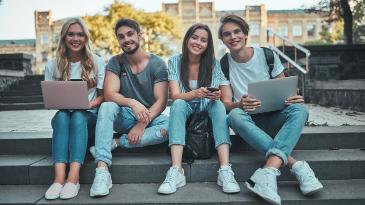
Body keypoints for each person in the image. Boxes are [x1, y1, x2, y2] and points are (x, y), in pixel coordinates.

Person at [218, 15, 323, 205]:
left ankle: (268, 172)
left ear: (245, 34)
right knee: (233, 115)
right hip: (248, 122)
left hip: (274, 117)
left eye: (237, 32)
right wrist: (239, 104)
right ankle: (296, 165)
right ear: (222, 39)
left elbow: (284, 89)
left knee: (300, 110)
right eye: (227, 34)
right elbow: (225, 103)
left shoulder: (266, 55)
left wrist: (293, 97)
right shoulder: (223, 64)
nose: (233, 37)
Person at [89, 18, 169, 197]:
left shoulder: (157, 64)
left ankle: (115, 143)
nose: (126, 39)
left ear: (140, 35)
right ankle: (102, 169)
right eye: (121, 36)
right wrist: (132, 102)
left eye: (130, 34)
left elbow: (161, 102)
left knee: (172, 126)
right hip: (124, 115)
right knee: (108, 106)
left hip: (150, 117)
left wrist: (141, 124)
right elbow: (109, 93)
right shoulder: (116, 62)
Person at [158, 23, 240, 195]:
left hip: (207, 109)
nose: (198, 42)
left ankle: (225, 169)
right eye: (194, 37)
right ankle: (176, 170)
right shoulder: (174, 61)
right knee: (179, 104)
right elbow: (175, 96)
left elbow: (220, 95)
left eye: (203, 40)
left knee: (218, 105)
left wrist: (215, 96)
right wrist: (195, 93)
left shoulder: (213, 64)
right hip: (184, 108)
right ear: (187, 39)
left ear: (207, 45)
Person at [44, 18, 105, 200]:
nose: (75, 38)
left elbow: (104, 96)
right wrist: (74, 93)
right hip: (64, 115)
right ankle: (58, 178)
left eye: (80, 34)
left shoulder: (97, 62)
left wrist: (86, 103)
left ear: (86, 38)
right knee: (62, 116)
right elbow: (51, 98)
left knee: (78, 115)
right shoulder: (52, 64)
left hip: (88, 116)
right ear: (64, 37)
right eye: (71, 34)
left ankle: (73, 177)